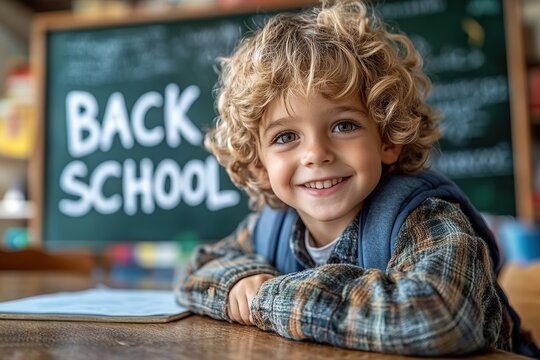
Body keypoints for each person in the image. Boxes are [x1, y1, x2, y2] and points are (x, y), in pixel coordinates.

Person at [175, 0, 539, 357]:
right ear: (258, 164)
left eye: (343, 125)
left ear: (387, 139)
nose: (316, 153)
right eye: (286, 137)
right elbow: (197, 270)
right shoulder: (272, 227)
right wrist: (241, 279)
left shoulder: (424, 218)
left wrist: (268, 296)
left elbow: (437, 318)